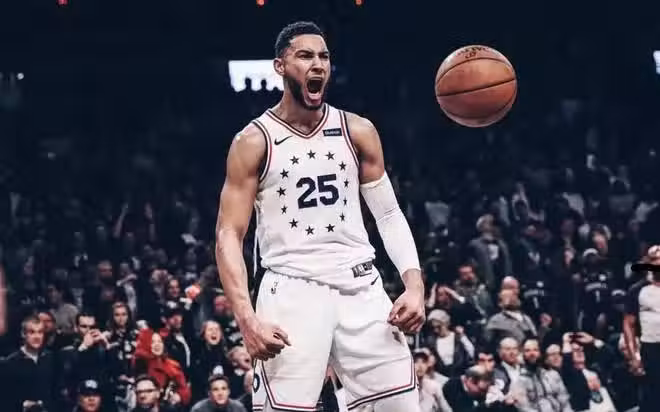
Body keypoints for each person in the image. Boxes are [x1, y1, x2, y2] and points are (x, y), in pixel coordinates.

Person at [215, 21, 425, 412]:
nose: (318, 64)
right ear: (280, 66)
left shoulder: (357, 130)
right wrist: (245, 317)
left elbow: (389, 214)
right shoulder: (253, 141)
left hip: (361, 287)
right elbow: (229, 234)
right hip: (291, 291)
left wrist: (414, 285)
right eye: (305, 55)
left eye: (324, 56)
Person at [623, 245, 660, 412]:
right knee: (653, 395)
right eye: (655, 259)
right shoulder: (637, 290)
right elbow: (628, 324)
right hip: (651, 347)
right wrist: (634, 356)